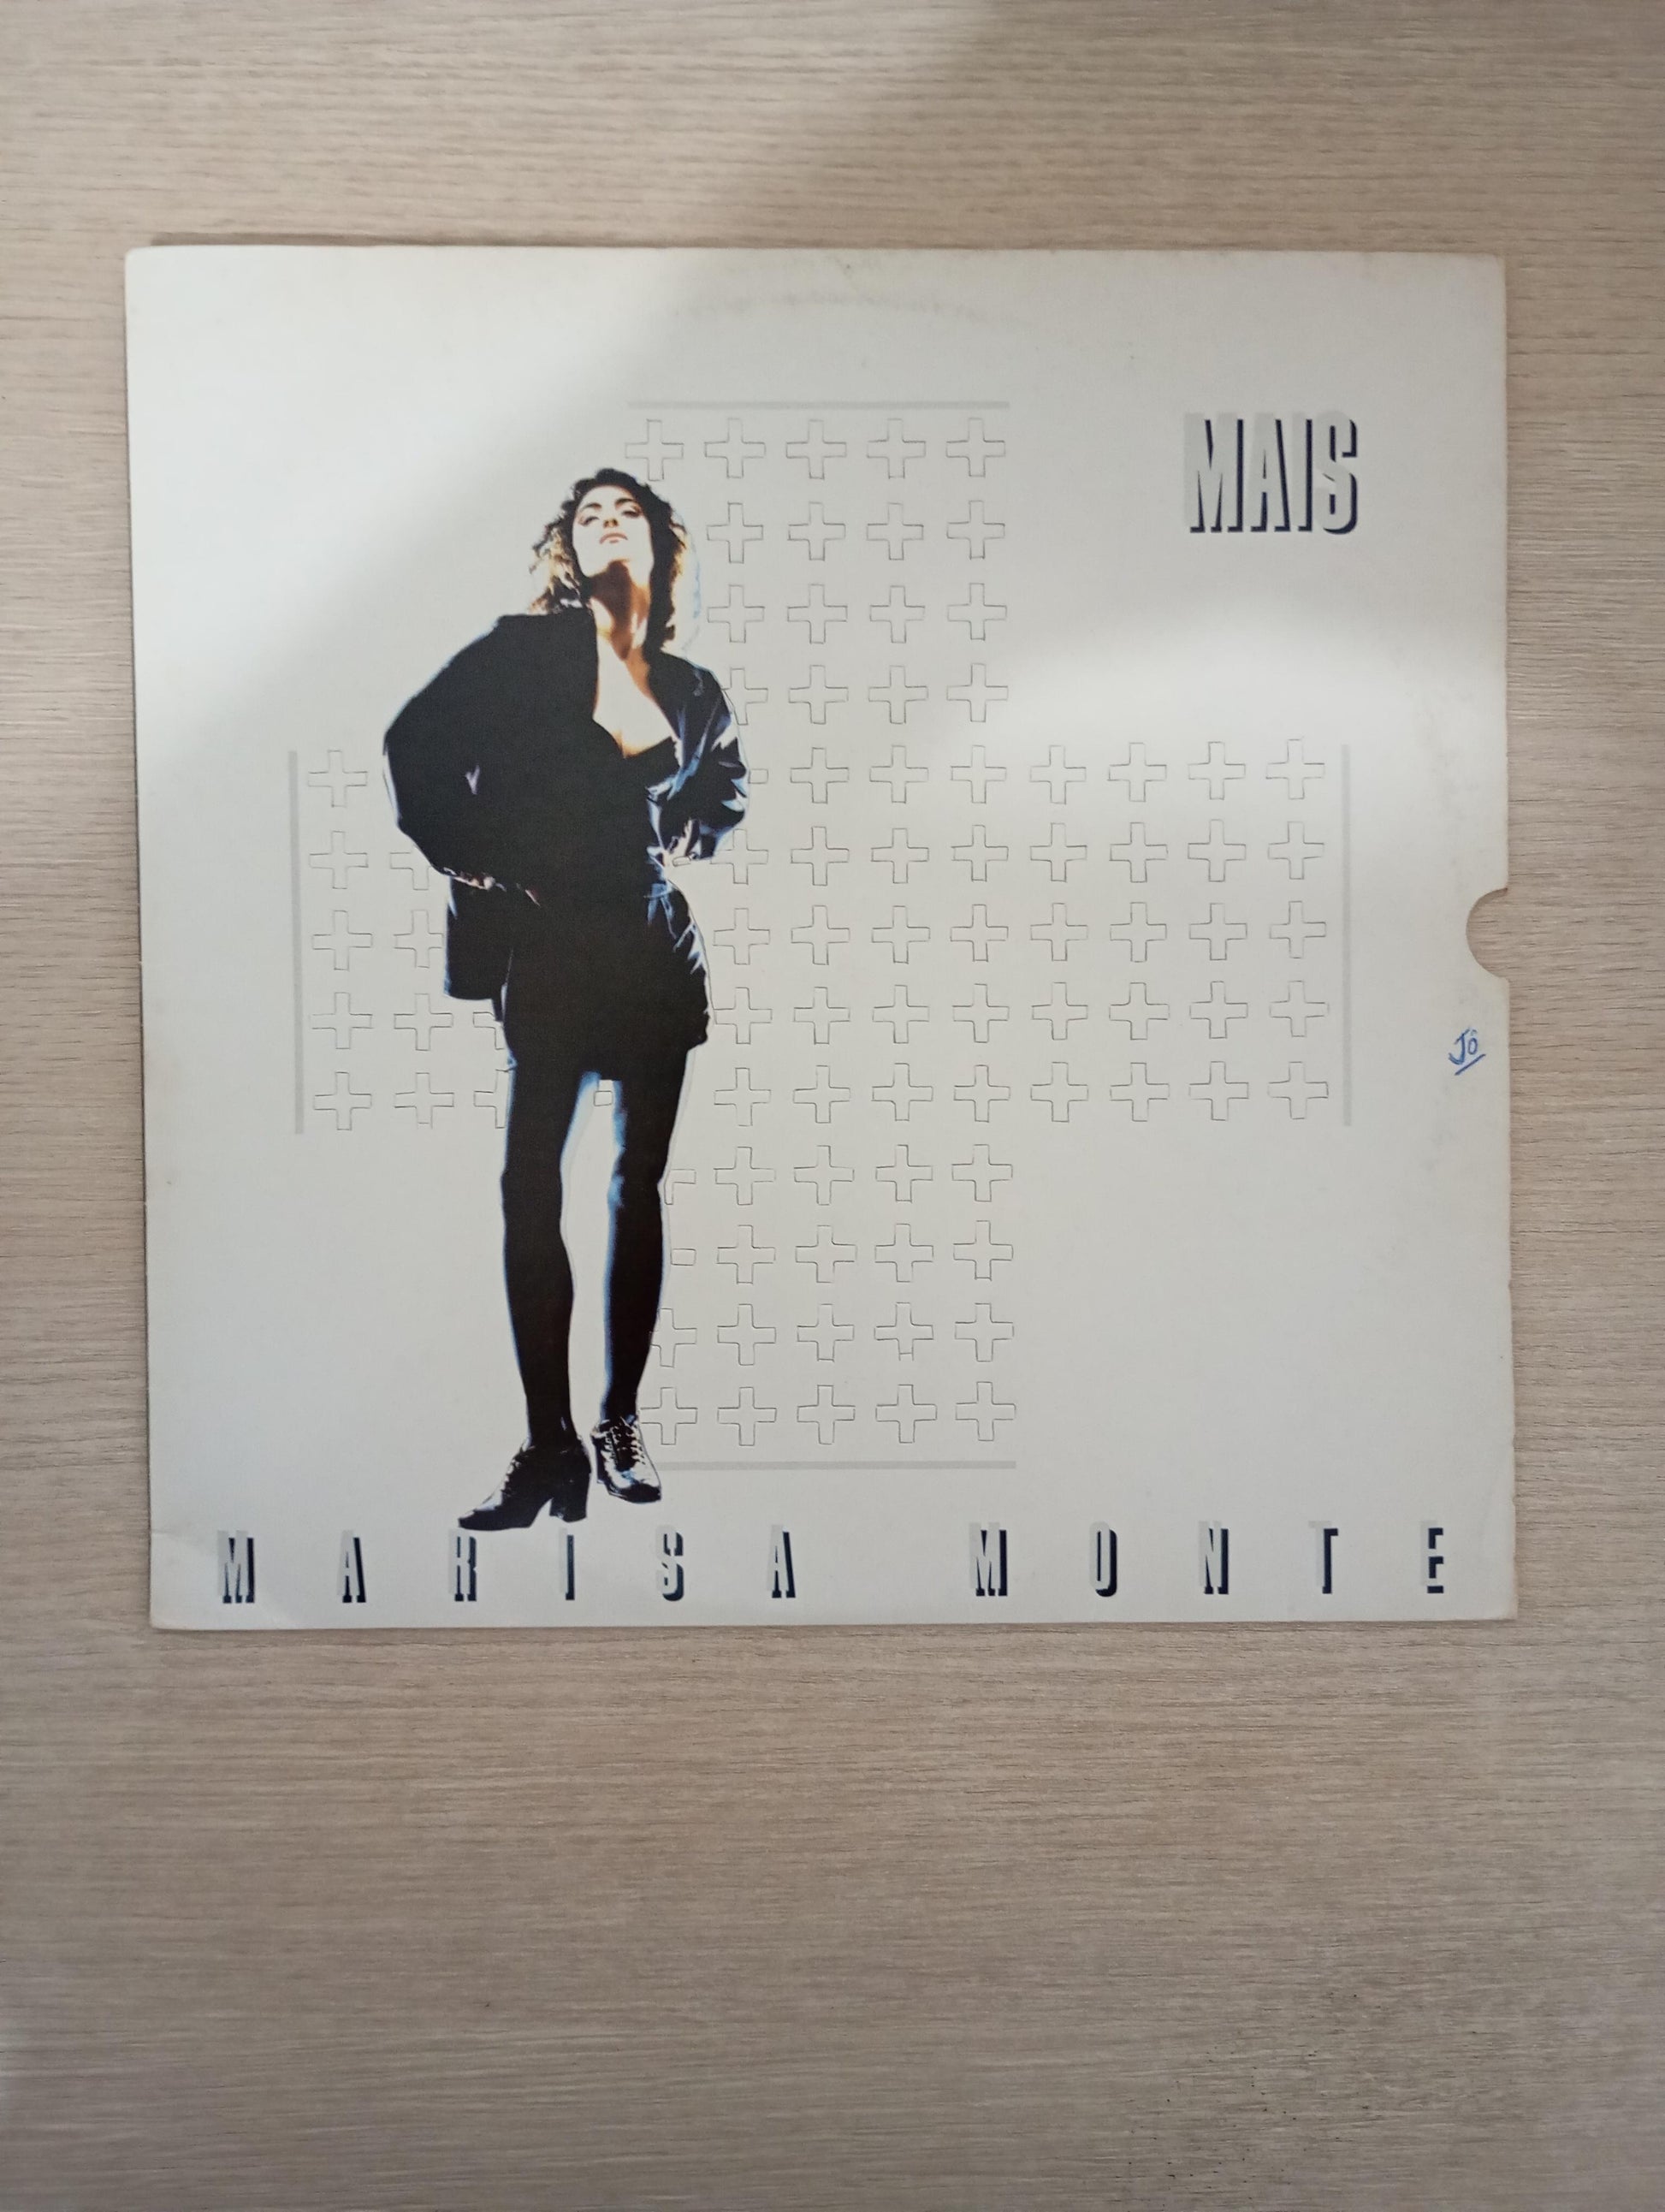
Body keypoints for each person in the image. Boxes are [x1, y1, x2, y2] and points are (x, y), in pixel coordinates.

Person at [383, 470, 747, 1528]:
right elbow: (413, 743)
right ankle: (547, 1445)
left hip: (650, 950)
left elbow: (721, 782)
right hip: (544, 949)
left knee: (639, 1184)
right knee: (526, 1187)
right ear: (568, 550)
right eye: (589, 515)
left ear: (658, 544)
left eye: (626, 512)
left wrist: (699, 824)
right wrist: (479, 856)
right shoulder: (519, 653)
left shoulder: (688, 684)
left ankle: (617, 1421)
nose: (607, 523)